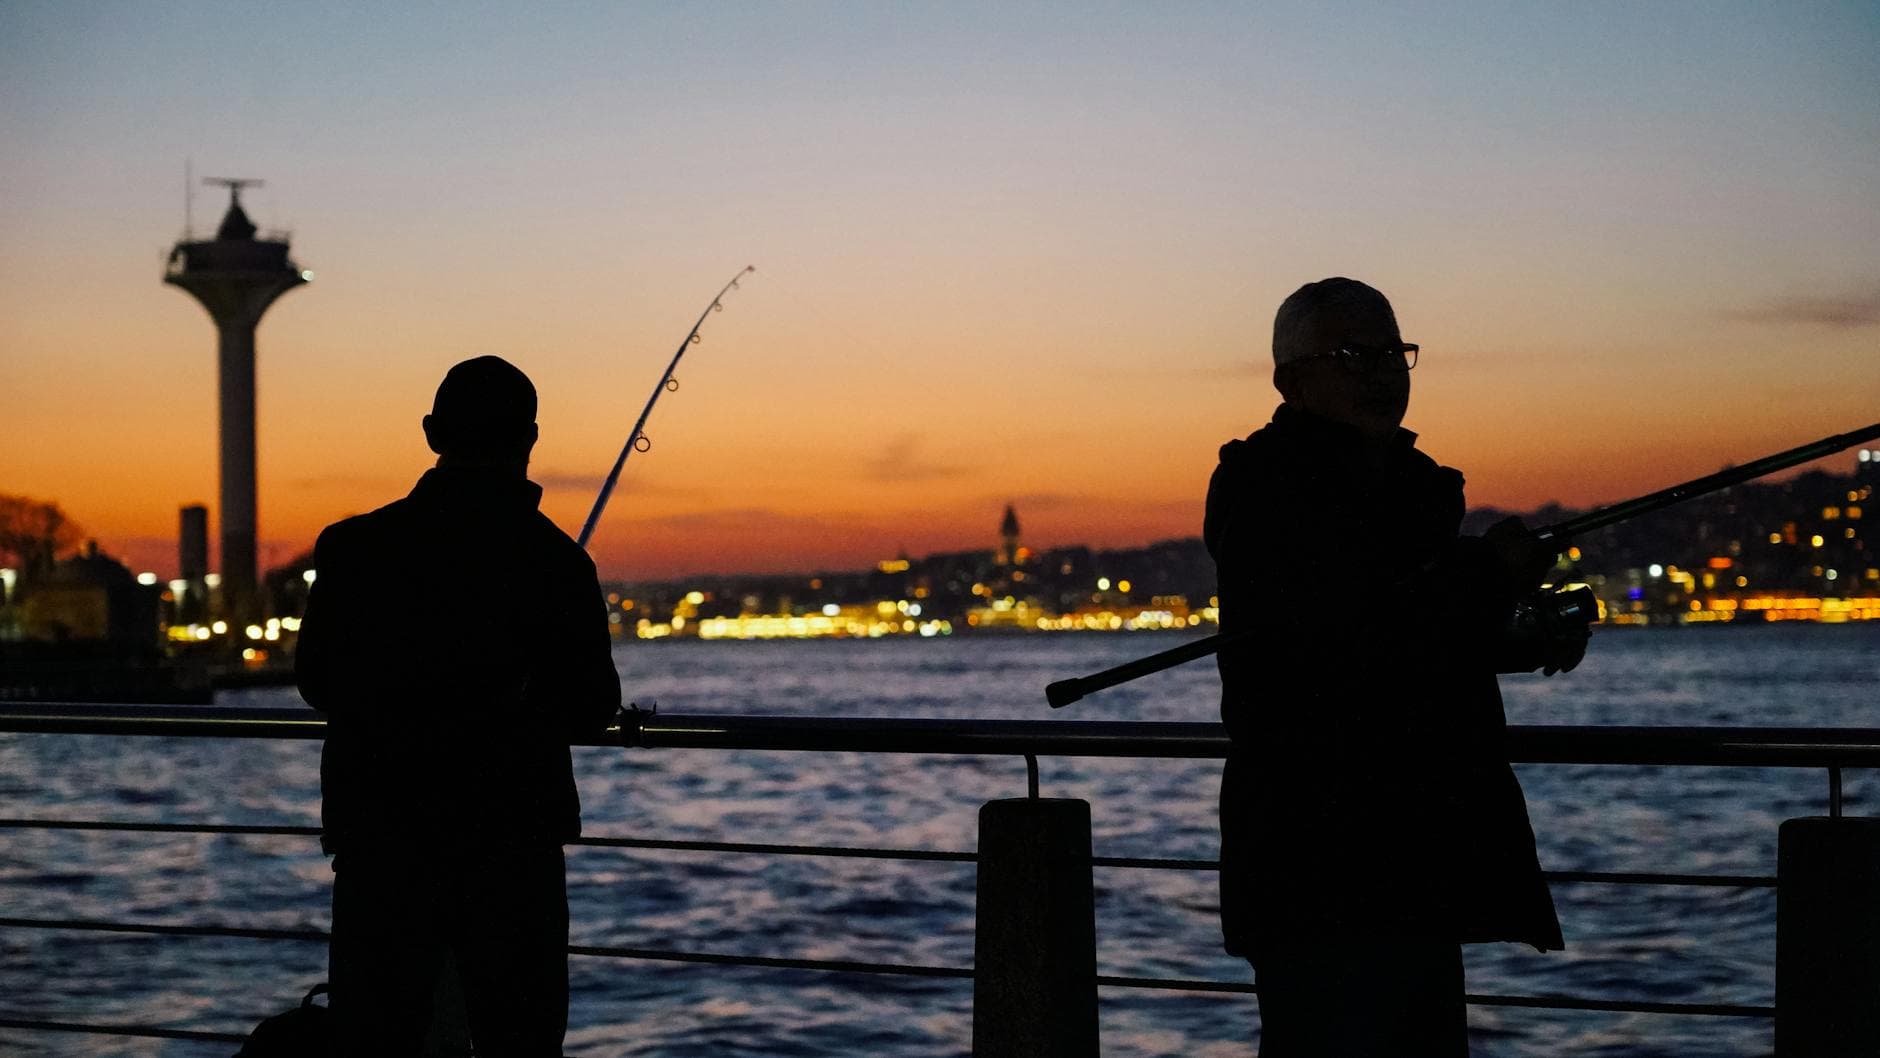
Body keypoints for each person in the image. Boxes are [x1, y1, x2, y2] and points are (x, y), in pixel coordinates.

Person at [1204, 278, 1586, 1055]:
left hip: (1415, 857)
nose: (1380, 373)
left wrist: (1520, 638)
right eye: (1352, 355)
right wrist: (1491, 577)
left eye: (1392, 354)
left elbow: (1410, 644)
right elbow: (1342, 641)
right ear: (1291, 381)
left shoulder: (1400, 487)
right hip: (1322, 860)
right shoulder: (1266, 487)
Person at [296, 356, 621, 1057]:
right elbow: (593, 705)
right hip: (510, 847)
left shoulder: (352, 549)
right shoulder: (557, 563)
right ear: (529, 439)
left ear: (432, 432)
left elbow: (317, 681)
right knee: (520, 1042)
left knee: (373, 1041)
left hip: (380, 843)